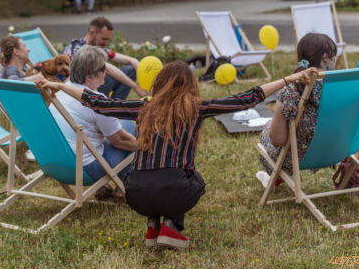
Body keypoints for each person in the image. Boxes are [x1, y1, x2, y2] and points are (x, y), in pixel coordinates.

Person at [37, 60, 317, 248]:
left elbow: (97, 102)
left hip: (134, 194)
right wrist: (289, 78)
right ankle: (171, 226)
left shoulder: (142, 108)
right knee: (192, 178)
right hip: (174, 190)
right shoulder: (197, 108)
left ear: (160, 83)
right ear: (190, 86)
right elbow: (248, 97)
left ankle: (152, 226)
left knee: (156, 176)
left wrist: (60, 86)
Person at [46, 46, 137, 198]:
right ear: (89, 76)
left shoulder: (62, 91)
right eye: (103, 67)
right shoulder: (97, 101)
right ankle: (123, 187)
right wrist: (146, 146)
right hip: (87, 169)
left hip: (57, 163)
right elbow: (121, 141)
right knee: (130, 127)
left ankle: (108, 188)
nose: (107, 71)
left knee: (121, 125)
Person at [256, 33, 337, 188]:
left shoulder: (291, 91)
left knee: (268, 126)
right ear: (326, 58)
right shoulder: (342, 86)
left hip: (297, 158)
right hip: (335, 151)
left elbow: (277, 140)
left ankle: (274, 176)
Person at [63, 16, 147, 99]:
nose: (106, 43)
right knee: (105, 77)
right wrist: (136, 87)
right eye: (103, 39)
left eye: (108, 40)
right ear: (92, 33)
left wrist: (146, 80)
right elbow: (109, 69)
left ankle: (116, 108)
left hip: (90, 84)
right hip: (75, 90)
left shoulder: (97, 48)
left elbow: (131, 60)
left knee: (130, 70)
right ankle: (103, 107)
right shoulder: (78, 48)